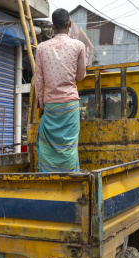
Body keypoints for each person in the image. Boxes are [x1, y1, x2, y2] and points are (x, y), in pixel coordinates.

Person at [34, 8, 87, 172]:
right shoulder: (79, 46)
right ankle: (70, 181)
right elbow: (80, 76)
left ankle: (48, 181)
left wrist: (42, 105)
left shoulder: (41, 48)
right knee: (69, 148)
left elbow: (38, 80)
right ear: (69, 24)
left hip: (51, 107)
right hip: (70, 106)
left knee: (47, 148)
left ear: (52, 26)